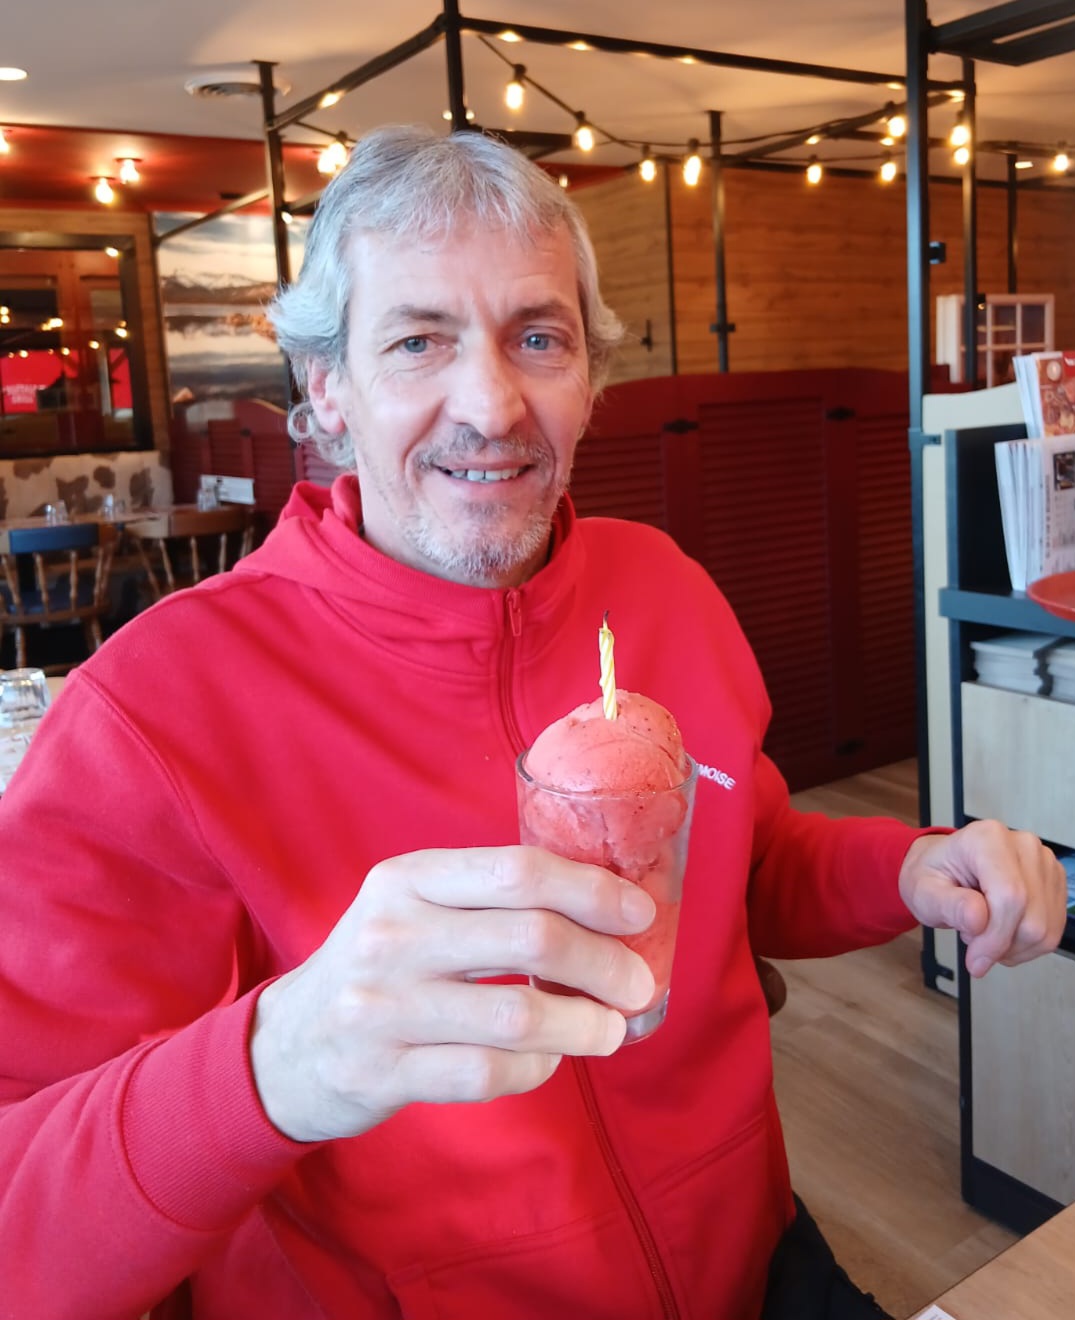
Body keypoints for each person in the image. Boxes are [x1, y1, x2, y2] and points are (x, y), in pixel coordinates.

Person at [0, 124, 1065, 1320]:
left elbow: (743, 866)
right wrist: (276, 1061)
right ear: (328, 389)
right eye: (418, 341)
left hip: (752, 1262)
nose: (491, 404)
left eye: (537, 338)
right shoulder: (150, 708)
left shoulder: (663, 585)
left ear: (589, 380)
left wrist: (915, 865)